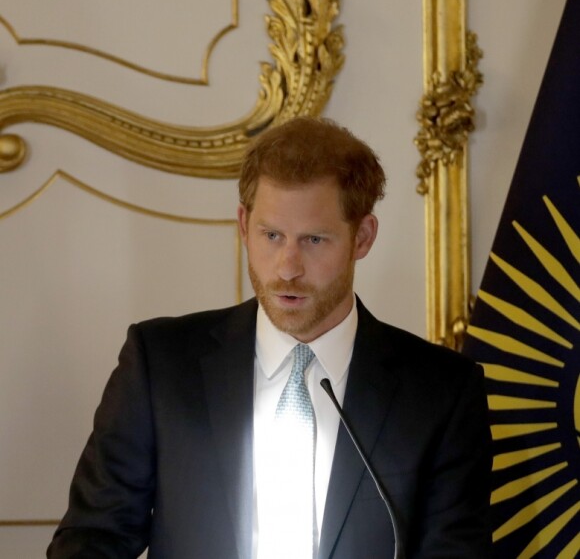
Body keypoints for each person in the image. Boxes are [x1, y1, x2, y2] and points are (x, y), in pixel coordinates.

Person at [48, 117, 492, 558]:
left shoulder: (443, 394)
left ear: (363, 237)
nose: (287, 268)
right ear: (244, 225)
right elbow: (91, 540)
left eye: (314, 240)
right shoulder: (159, 364)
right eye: (272, 235)